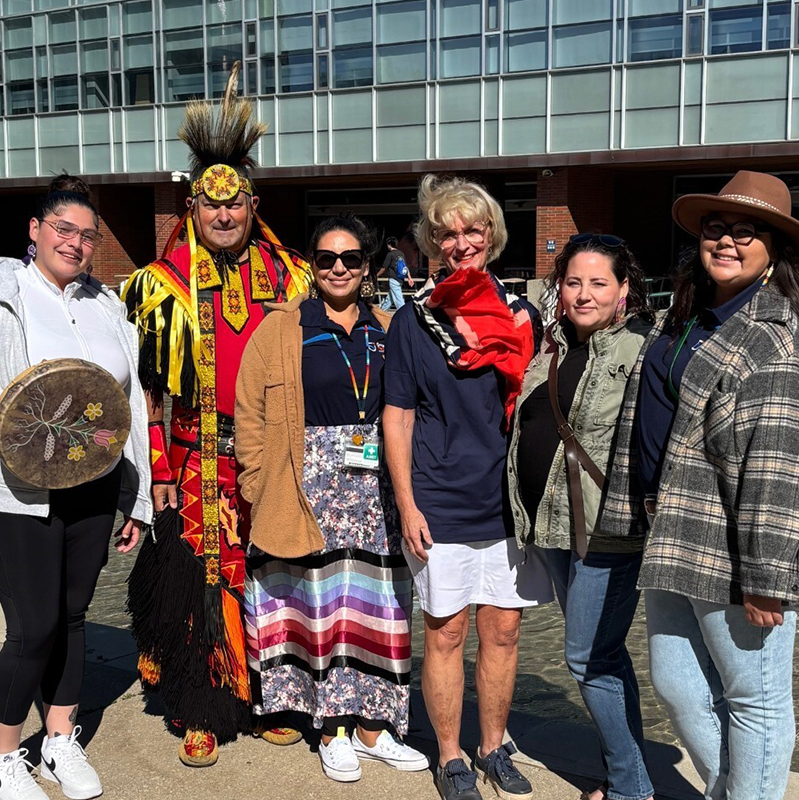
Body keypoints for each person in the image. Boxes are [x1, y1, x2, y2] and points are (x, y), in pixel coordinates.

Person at [601, 170, 799, 800]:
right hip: (673, 532)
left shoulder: (778, 343)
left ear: (775, 252)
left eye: (747, 232)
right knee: (678, 684)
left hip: (736, 552)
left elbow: (783, 472)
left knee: (755, 699)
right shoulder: (696, 315)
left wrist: (766, 579)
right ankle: (731, 789)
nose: (728, 241)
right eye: (717, 228)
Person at [0, 174, 152, 800]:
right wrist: (10, 419)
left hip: (95, 486)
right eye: (63, 229)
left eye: (87, 235)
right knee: (32, 628)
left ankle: (57, 741)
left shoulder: (106, 305)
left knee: (72, 617)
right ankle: (0, 761)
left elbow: (129, 405)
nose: (74, 243)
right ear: (35, 230)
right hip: (14, 489)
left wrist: (139, 496)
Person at [121, 64, 312, 768]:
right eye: (211, 205)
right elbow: (146, 389)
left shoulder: (293, 278)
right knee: (203, 577)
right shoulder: (161, 286)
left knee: (270, 574)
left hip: (270, 459)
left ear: (253, 204)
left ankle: (266, 700)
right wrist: (159, 473)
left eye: (235, 206)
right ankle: (202, 707)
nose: (225, 216)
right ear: (193, 209)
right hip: (196, 456)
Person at [235, 212, 429, 783]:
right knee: (320, 605)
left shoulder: (391, 327)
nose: (338, 268)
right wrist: (254, 481)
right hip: (306, 480)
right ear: (312, 265)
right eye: (327, 258)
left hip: (377, 485)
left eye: (350, 258)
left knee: (380, 605)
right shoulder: (282, 328)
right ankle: (331, 728)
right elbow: (250, 413)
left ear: (367, 267)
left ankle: (375, 727)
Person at [384, 174, 549, 800]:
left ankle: (493, 745)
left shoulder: (525, 316)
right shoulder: (413, 321)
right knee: (446, 632)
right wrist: (406, 505)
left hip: (507, 501)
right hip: (440, 500)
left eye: (471, 230)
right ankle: (452, 756)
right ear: (431, 242)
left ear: (491, 235)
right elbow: (396, 417)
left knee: (503, 631)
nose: (460, 242)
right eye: (446, 233)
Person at [506, 233, 654, 800]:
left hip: (609, 529)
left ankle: (630, 789)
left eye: (598, 283)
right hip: (554, 525)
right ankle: (626, 775)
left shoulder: (643, 347)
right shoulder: (552, 346)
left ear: (623, 291)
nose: (584, 294)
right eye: (573, 282)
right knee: (604, 656)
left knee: (586, 657)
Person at [379, 236, 414, 310]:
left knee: (399, 300)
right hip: (400, 279)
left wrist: (376, 275)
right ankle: (382, 311)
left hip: (394, 279)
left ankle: (404, 314)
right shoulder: (401, 254)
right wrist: (409, 278)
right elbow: (405, 267)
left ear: (389, 244)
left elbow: (384, 268)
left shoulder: (390, 254)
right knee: (390, 299)